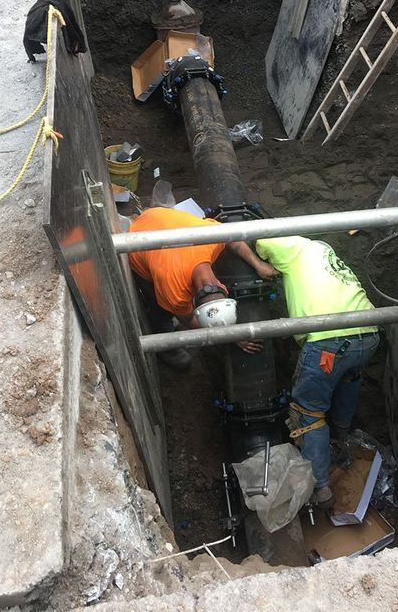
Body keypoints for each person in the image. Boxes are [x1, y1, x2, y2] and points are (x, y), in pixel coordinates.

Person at [255, 236, 379, 509]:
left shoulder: (293, 247)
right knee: (348, 377)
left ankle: (320, 488)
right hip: (368, 332)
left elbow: (257, 239)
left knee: (307, 411)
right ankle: (342, 438)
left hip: (329, 342)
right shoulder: (324, 250)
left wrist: (257, 262)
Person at [128, 206, 278, 369]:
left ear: (223, 287)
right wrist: (231, 336)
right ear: (223, 288)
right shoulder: (175, 293)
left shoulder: (211, 242)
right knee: (161, 308)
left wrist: (258, 264)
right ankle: (165, 346)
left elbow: (233, 237)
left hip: (156, 215)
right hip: (136, 240)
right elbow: (186, 319)